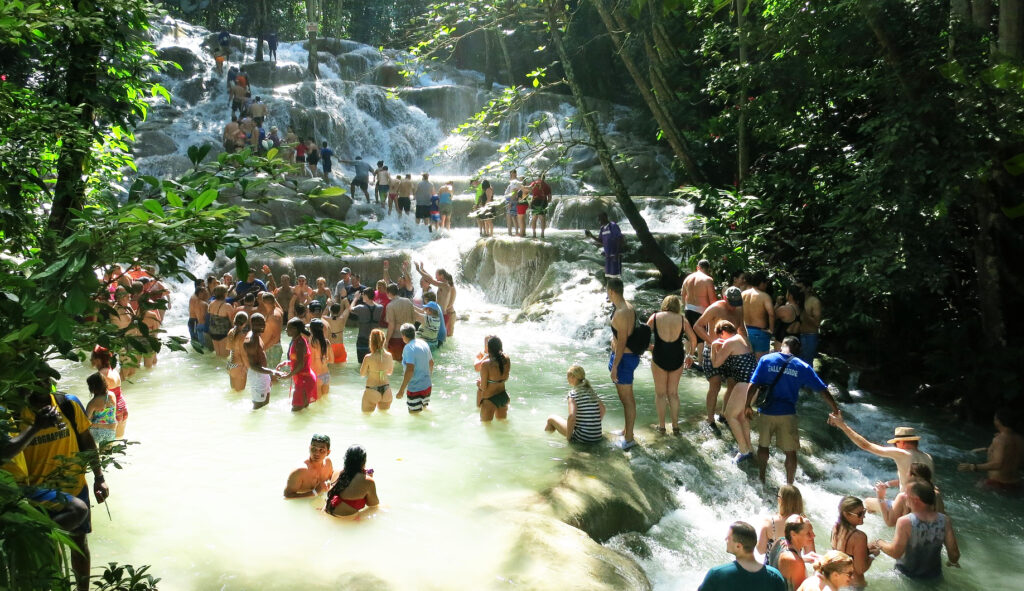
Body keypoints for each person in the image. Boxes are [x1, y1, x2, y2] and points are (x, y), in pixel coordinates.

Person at [19, 375, 110, 591]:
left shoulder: (67, 404)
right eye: (35, 380)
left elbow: (87, 440)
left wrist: (99, 477)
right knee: (48, 550)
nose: (41, 384)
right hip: (36, 497)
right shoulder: (17, 414)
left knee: (79, 545)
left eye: (44, 380)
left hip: (74, 488)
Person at [746, 336, 840, 484]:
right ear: (798, 350)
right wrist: (835, 409)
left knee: (763, 446)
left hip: (766, 411)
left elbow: (753, 385)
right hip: (787, 414)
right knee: (790, 452)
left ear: (781, 346)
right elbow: (823, 390)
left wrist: (747, 406)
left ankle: (762, 478)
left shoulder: (766, 360)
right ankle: (789, 485)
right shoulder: (802, 366)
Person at [827, 414, 935, 512]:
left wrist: (843, 426)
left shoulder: (903, 453)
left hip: (908, 505)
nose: (895, 447)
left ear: (901, 442)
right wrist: (888, 484)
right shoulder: (927, 457)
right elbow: (916, 479)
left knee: (868, 502)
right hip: (929, 505)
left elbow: (866, 446)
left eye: (895, 444)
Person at [871, 481, 960, 579]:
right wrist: (952, 562)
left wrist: (879, 542)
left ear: (916, 500)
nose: (904, 495)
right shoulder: (944, 520)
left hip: (906, 577)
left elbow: (895, 553)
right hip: (934, 577)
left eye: (906, 493)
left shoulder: (905, 521)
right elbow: (954, 554)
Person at [694, 285, 747, 434]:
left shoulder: (738, 309)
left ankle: (724, 414)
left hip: (731, 352)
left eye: (736, 304)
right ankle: (710, 419)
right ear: (725, 298)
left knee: (732, 384)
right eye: (731, 304)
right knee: (715, 385)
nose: (733, 307)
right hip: (713, 350)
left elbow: (741, 328)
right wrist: (711, 342)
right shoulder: (715, 308)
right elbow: (697, 326)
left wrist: (746, 346)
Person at [646, 295, 696, 435]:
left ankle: (662, 426)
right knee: (673, 393)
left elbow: (643, 334)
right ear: (677, 306)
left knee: (660, 394)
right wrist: (690, 355)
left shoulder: (655, 317)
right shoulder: (682, 319)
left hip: (659, 355)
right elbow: (693, 339)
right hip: (677, 356)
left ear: (664, 304)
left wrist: (650, 347)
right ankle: (675, 426)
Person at [711, 320, 757, 462]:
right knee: (742, 417)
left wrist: (713, 347)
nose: (720, 340)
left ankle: (743, 450)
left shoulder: (729, 342)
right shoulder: (743, 338)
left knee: (730, 415)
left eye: (719, 336)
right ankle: (748, 448)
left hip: (744, 384)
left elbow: (716, 363)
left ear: (723, 332)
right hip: (755, 385)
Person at [607, 277, 644, 450]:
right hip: (627, 358)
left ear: (611, 291)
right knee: (626, 399)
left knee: (627, 400)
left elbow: (622, 342)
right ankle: (626, 430)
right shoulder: (627, 306)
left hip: (624, 359)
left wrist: (615, 366)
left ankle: (629, 438)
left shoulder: (621, 312)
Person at [699, 521, 786, 591]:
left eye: (728, 538)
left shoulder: (717, 574)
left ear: (738, 546)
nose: (725, 539)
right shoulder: (775, 576)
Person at [957, 408, 1023, 492]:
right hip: (1016, 484)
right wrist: (987, 449)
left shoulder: (1000, 439)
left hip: (997, 484)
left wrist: (973, 466)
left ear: (998, 421)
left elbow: (998, 464)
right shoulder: (1020, 439)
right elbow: (1010, 455)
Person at [545, 365, 605, 443]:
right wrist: (592, 425)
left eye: (568, 376)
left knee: (551, 418)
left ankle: (545, 440)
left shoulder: (573, 394)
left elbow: (572, 417)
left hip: (581, 437)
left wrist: (569, 438)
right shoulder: (592, 392)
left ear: (573, 377)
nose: (567, 379)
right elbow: (603, 409)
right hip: (596, 436)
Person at [876, 462, 946, 527]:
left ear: (911, 476)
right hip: (932, 537)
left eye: (907, 473)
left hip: (907, 535)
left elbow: (890, 523)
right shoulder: (936, 495)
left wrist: (881, 497)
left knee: (868, 501)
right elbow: (942, 522)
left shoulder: (904, 497)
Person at [829, 496, 875, 589]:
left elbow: (843, 555)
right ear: (846, 514)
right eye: (860, 514)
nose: (864, 516)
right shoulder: (859, 537)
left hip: (836, 582)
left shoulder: (836, 528)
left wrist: (866, 550)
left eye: (864, 511)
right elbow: (860, 569)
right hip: (853, 585)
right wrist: (872, 556)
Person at [758, 485, 813, 557]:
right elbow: (810, 554)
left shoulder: (769, 521)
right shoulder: (804, 523)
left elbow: (761, 550)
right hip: (793, 565)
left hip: (772, 566)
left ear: (780, 500)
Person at [325, 445, 379, 517]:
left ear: (346, 459)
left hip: (326, 512)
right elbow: (373, 505)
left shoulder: (336, 472)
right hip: (347, 521)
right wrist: (368, 479)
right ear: (364, 461)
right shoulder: (368, 481)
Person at [278, 318, 318, 411]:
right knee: (302, 412)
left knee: (296, 411)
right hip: (303, 378)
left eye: (288, 328)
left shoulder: (299, 343)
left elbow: (300, 365)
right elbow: (300, 360)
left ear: (295, 329)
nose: (286, 330)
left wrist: (288, 376)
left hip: (304, 379)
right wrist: (286, 362)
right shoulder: (297, 341)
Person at [243, 313, 282, 410]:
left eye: (263, 323)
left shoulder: (257, 335)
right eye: (258, 324)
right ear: (252, 324)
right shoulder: (250, 341)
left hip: (263, 373)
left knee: (265, 405)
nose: (262, 326)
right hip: (257, 375)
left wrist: (268, 376)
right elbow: (254, 366)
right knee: (258, 407)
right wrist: (273, 372)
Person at [681, 259, 717, 360]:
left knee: (689, 334)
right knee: (701, 337)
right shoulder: (707, 280)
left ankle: (687, 358)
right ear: (708, 269)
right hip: (701, 310)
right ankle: (701, 362)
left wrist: (685, 306)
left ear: (698, 267)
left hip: (688, 309)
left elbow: (683, 295)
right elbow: (712, 300)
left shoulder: (687, 278)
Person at [90, 346, 127, 439]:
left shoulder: (100, 376)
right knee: (119, 439)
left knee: (106, 445)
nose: (91, 359)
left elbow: (98, 400)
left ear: (98, 359)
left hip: (110, 410)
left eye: (93, 357)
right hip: (122, 406)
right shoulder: (114, 371)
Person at [396, 323, 434, 413]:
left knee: (414, 415)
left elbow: (410, 370)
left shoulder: (408, 348)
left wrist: (401, 390)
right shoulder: (423, 343)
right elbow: (431, 363)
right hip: (427, 386)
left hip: (415, 389)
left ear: (404, 336)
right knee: (425, 409)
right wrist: (427, 378)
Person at [773, 515, 816, 590]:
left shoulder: (779, 541)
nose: (813, 535)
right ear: (793, 534)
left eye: (812, 531)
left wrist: (803, 558)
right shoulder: (796, 563)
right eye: (808, 533)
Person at [359, 329, 394, 412]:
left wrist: (371, 371)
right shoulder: (389, 356)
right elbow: (390, 372)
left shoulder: (368, 357)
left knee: (366, 417)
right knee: (384, 420)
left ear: (371, 342)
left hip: (372, 390)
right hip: (386, 390)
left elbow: (362, 374)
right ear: (384, 340)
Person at [477, 336, 510, 421]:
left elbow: (483, 387)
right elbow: (506, 378)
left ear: (489, 348)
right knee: (503, 428)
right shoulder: (507, 359)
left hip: (489, 400)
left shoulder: (485, 364)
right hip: (503, 397)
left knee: (486, 428)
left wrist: (478, 384)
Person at [743, 271, 775, 359]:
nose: (766, 285)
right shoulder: (764, 296)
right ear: (761, 283)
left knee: (748, 361)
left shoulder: (743, 294)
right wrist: (771, 330)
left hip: (745, 331)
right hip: (760, 332)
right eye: (765, 283)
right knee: (761, 362)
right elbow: (771, 314)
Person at [384, 284, 419, 360]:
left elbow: (391, 325)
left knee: (396, 362)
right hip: (410, 337)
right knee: (409, 361)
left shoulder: (390, 305)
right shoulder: (408, 301)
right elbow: (414, 318)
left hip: (396, 338)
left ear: (389, 293)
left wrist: (386, 341)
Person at [584, 212, 623, 278]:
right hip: (607, 256)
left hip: (615, 255)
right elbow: (601, 241)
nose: (599, 220)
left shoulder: (613, 226)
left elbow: (619, 238)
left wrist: (617, 253)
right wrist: (591, 236)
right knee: (608, 276)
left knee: (616, 277)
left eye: (600, 218)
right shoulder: (602, 229)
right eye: (598, 219)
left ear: (605, 217)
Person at [350, 290, 383, 363]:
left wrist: (355, 298)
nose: (362, 296)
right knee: (374, 363)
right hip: (375, 339)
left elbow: (351, 309)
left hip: (362, 339)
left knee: (362, 363)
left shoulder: (360, 308)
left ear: (366, 296)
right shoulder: (380, 307)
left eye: (363, 295)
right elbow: (375, 305)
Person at [84, 373, 117, 446]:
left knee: (93, 454)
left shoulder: (93, 403)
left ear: (93, 387)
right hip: (111, 431)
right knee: (106, 455)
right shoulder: (112, 395)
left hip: (96, 432)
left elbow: (86, 422)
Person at [796, 280, 822, 364]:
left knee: (807, 364)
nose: (798, 290)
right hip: (797, 335)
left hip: (810, 336)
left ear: (808, 288)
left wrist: (806, 315)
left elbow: (817, 323)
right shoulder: (797, 300)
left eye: (800, 288)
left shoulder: (814, 302)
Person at [309, 319, 334, 398]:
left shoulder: (312, 343)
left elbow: (310, 361)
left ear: (312, 329)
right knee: (325, 400)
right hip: (326, 374)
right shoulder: (327, 342)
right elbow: (332, 360)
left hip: (316, 374)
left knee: (317, 402)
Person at [208, 285, 235, 357]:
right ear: (224, 294)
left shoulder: (211, 303)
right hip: (224, 333)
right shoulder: (227, 306)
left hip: (213, 332)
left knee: (218, 355)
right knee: (225, 357)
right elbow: (233, 321)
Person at [774, 286, 803, 351]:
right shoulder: (800, 309)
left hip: (782, 342)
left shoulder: (785, 309)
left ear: (790, 295)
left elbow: (771, 317)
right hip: (795, 343)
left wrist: (777, 304)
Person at [226, 311, 249, 391]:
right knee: (240, 393)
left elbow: (228, 348)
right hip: (239, 366)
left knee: (233, 392)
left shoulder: (230, 332)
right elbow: (243, 354)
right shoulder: (242, 337)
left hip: (230, 365)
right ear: (245, 323)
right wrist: (247, 367)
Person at [189, 284, 211, 352]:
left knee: (201, 346)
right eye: (205, 293)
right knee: (207, 347)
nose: (206, 294)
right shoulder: (204, 304)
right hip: (204, 326)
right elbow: (207, 317)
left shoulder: (195, 302)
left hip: (198, 325)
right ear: (200, 293)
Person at [530, 174, 552, 238]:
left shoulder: (534, 183)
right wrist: (546, 202)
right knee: (542, 219)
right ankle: (542, 234)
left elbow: (529, 189)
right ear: (544, 178)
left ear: (538, 178)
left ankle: (534, 234)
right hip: (543, 202)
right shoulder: (547, 186)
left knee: (534, 218)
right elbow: (550, 198)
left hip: (535, 201)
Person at [504, 169, 521, 236]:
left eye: (512, 174)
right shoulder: (514, 182)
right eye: (510, 174)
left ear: (515, 174)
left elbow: (514, 192)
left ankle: (512, 233)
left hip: (512, 201)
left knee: (511, 217)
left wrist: (510, 202)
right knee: (512, 217)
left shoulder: (515, 182)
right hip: (511, 200)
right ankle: (513, 232)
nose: (511, 175)